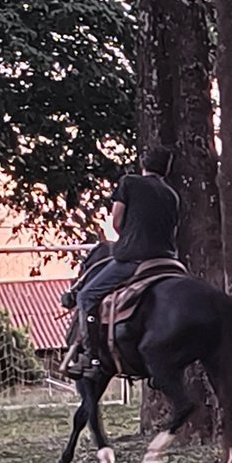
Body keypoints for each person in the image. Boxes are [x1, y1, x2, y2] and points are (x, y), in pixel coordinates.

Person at [74, 147, 180, 374]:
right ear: (166, 169)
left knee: (86, 296)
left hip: (134, 258)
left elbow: (117, 221)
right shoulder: (172, 195)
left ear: (143, 164)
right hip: (168, 260)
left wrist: (129, 240)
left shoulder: (129, 182)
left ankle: (91, 358)